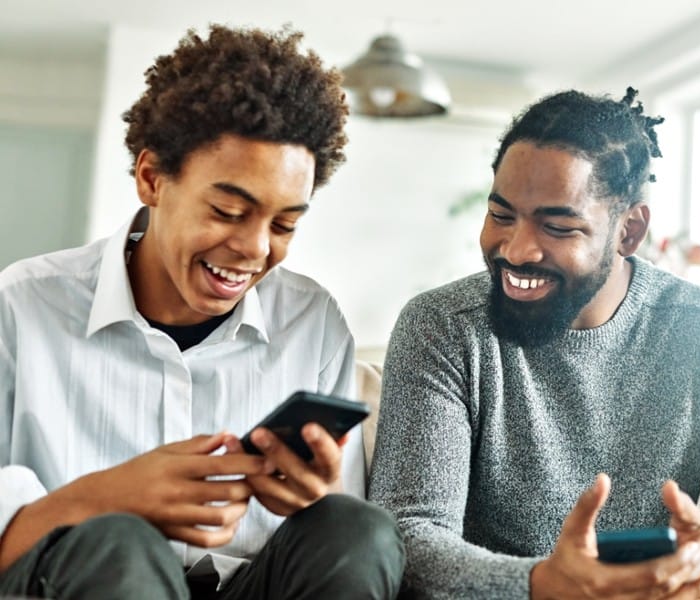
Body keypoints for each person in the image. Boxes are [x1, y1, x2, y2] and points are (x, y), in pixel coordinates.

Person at [0, 24, 404, 600]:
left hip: (248, 585)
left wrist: (310, 500)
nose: (256, 249)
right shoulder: (21, 306)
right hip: (88, 579)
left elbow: (339, 546)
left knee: (354, 527)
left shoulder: (311, 322)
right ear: (151, 179)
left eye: (285, 224)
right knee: (117, 542)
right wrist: (109, 494)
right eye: (228, 209)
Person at [368, 87, 700, 599]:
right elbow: (407, 536)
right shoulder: (443, 325)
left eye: (557, 226)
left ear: (629, 231)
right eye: (501, 215)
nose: (517, 249)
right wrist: (541, 584)